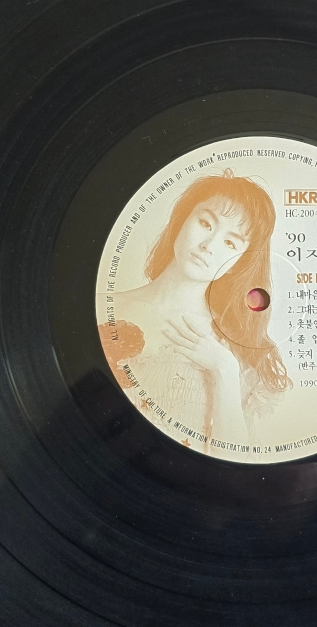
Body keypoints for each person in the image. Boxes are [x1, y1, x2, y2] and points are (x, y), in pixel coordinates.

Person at [100, 169, 290, 455]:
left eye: (230, 243)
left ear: (239, 263)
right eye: (205, 223)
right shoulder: (101, 308)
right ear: (181, 221)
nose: (208, 246)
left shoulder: (233, 346)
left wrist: (224, 369)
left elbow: (233, 465)